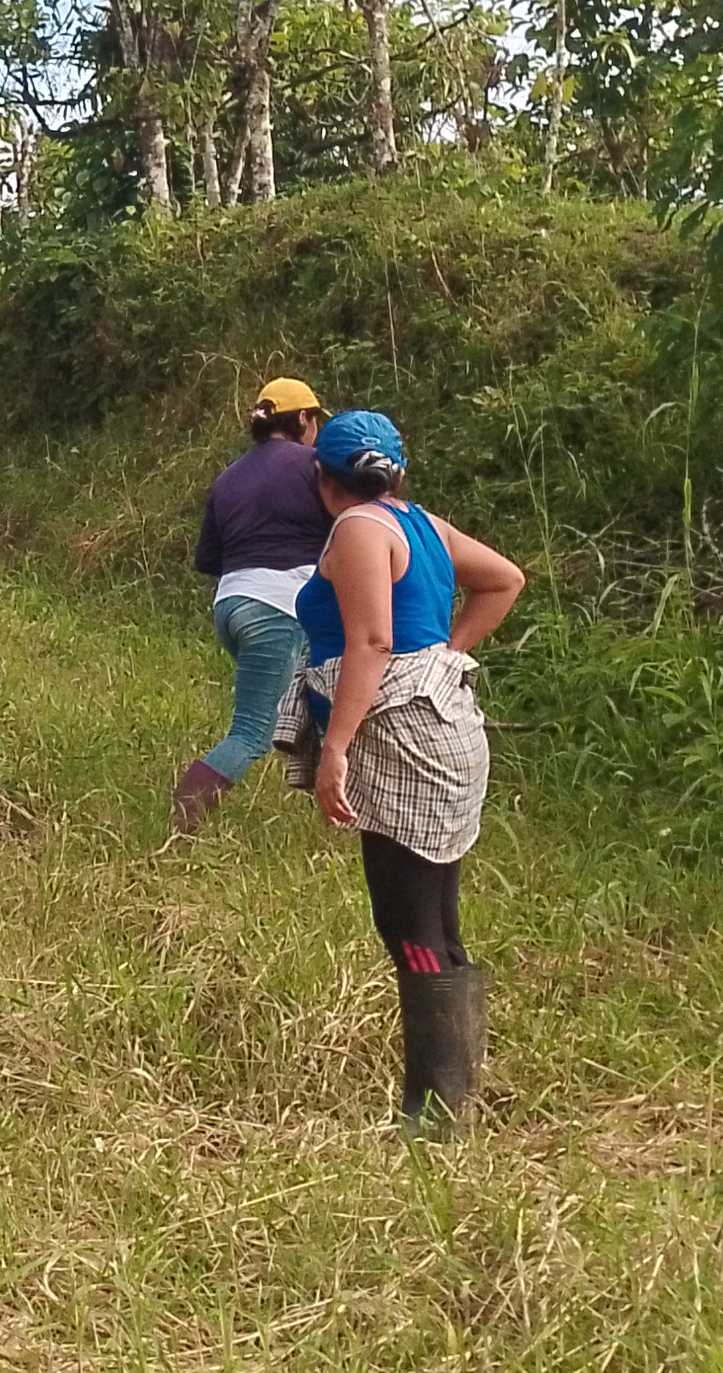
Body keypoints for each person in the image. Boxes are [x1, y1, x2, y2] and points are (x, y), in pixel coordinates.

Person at [280, 409, 524, 1125]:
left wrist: (335, 748)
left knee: (408, 922)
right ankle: (454, 1091)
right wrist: (445, 655)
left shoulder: (357, 529)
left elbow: (373, 641)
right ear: (398, 471)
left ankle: (436, 1111)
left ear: (322, 477)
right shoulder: (421, 524)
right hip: (444, 730)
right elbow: (504, 580)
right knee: (435, 916)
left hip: (401, 741)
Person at [174, 377, 333, 836]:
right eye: (315, 421)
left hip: (231, 604)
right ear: (302, 419)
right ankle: (182, 823)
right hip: (278, 608)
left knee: (318, 698)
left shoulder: (229, 476)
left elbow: (207, 558)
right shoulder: (315, 467)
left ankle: (335, 811)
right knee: (251, 732)